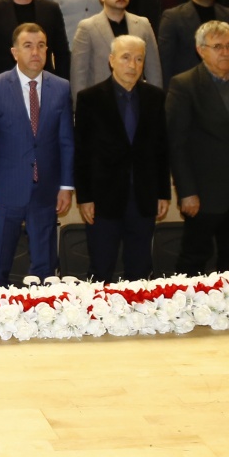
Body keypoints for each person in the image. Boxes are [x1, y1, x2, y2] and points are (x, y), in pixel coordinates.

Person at [0, 23, 74, 285]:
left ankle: (43, 308)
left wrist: (66, 186)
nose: (36, 52)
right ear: (14, 52)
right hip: (5, 191)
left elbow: (66, 142)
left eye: (41, 46)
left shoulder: (61, 87)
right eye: (28, 46)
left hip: (46, 191)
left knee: (45, 268)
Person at [165, 20, 229, 274]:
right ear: (201, 50)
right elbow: (177, 144)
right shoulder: (184, 84)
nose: (225, 52)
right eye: (218, 46)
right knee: (193, 261)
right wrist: (186, 191)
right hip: (203, 194)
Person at [73, 35, 169, 281]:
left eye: (139, 59)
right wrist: (85, 197)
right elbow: (82, 153)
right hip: (103, 198)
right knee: (101, 270)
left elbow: (161, 148)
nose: (133, 65)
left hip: (143, 197)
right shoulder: (90, 98)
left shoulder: (155, 97)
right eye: (126, 58)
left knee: (140, 271)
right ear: (111, 60)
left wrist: (163, 192)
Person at [70, 0, 163, 96]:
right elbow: (78, 75)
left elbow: (154, 70)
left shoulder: (143, 24)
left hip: (136, 100)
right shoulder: (87, 28)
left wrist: (156, 102)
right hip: (100, 101)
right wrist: (79, 105)